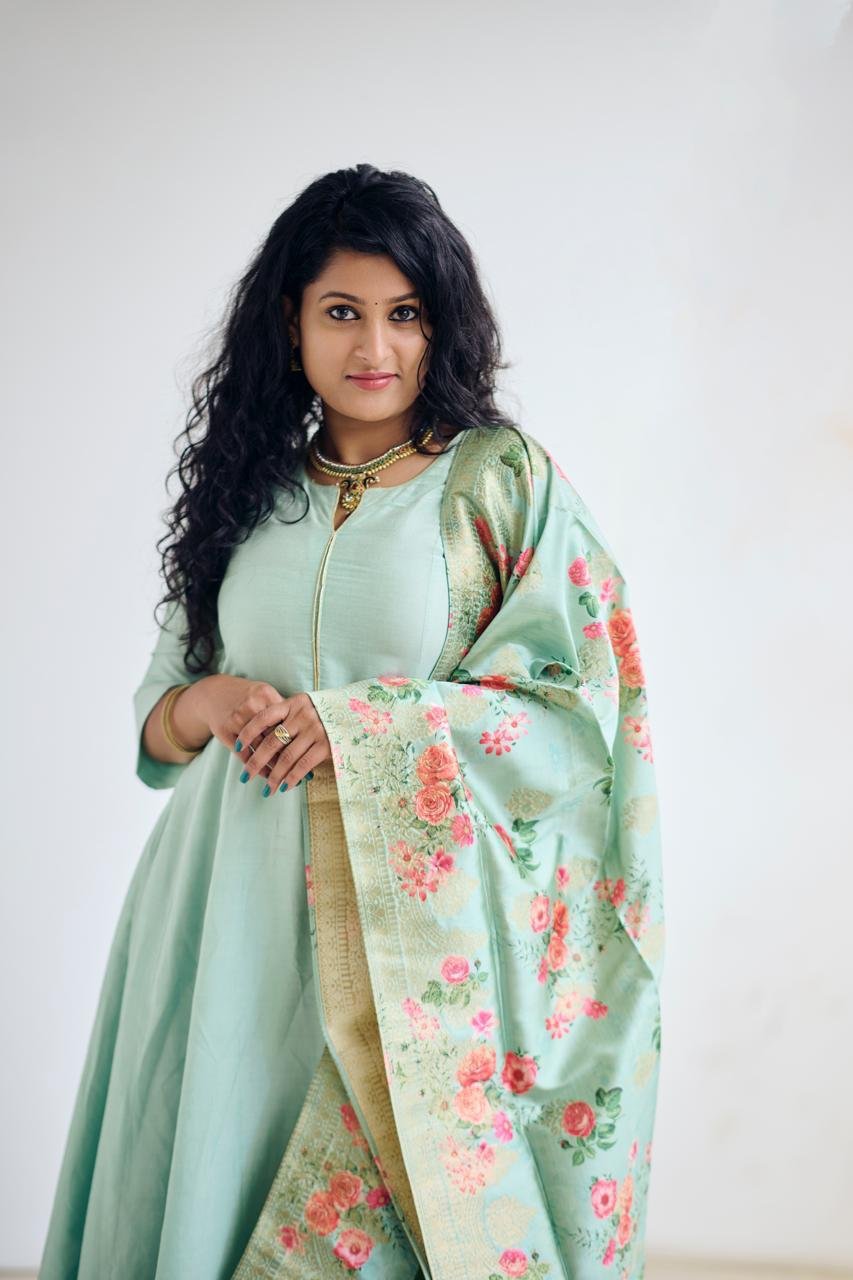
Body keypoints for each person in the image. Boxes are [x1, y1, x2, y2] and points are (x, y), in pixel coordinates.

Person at [39, 163, 665, 1280]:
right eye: (342, 312)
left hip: (411, 934)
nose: (375, 346)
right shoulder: (247, 487)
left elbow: (577, 710)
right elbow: (157, 719)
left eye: (404, 313)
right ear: (290, 324)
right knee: (211, 1169)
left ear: (441, 325)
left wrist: (368, 726)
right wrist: (206, 702)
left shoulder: (495, 483)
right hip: (223, 909)